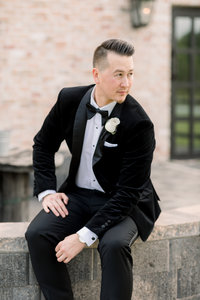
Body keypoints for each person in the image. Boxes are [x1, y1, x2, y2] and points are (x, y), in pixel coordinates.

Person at [25, 38, 161, 300]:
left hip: (124, 201)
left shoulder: (140, 123)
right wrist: (47, 191)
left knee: (114, 244)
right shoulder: (69, 99)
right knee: (37, 233)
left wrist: (82, 237)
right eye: (119, 74)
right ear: (96, 75)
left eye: (131, 74)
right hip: (78, 195)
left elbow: (129, 192)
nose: (126, 83)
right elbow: (43, 144)